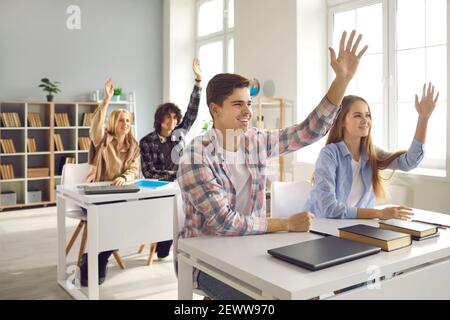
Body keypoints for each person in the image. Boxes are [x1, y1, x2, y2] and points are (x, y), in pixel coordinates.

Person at [176, 30, 368, 300]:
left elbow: (308, 132)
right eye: (238, 104)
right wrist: (285, 224)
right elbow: (223, 223)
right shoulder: (195, 156)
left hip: (253, 252)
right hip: (204, 263)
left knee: (310, 292)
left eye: (249, 103)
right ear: (215, 109)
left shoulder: (255, 141)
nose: (248, 112)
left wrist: (342, 80)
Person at [303, 83, 439, 220]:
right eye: (357, 116)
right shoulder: (329, 154)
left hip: (356, 226)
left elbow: (409, 162)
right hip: (322, 227)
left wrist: (423, 118)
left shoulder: (370, 152)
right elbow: (328, 209)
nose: (365, 120)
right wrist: (379, 214)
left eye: (367, 115)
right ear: (342, 121)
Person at [79, 77, 141, 286]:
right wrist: (106, 100)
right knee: (111, 221)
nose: (125, 124)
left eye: (128, 121)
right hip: (97, 196)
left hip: (120, 195)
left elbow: (134, 168)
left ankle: (95, 258)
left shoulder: (134, 145)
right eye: (122, 120)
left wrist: (125, 177)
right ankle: (96, 262)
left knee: (126, 220)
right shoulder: (102, 139)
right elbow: (95, 127)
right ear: (114, 122)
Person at [140, 58, 202, 259]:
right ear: (159, 120)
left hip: (178, 187)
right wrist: (174, 176)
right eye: (168, 117)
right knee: (169, 210)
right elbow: (149, 173)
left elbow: (191, 113)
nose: (172, 121)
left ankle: (180, 244)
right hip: (157, 189)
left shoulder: (179, 135)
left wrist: (198, 83)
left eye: (175, 118)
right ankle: (165, 240)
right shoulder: (147, 141)